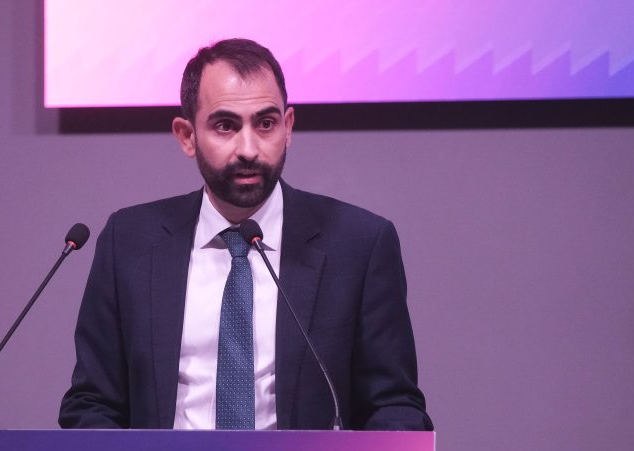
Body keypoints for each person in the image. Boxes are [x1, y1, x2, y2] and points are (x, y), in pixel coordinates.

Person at [59, 38, 432, 431]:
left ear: (288, 127)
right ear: (187, 136)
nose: (249, 149)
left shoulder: (359, 245)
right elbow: (92, 403)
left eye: (266, 123)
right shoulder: (130, 241)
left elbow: (393, 405)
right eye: (225, 126)